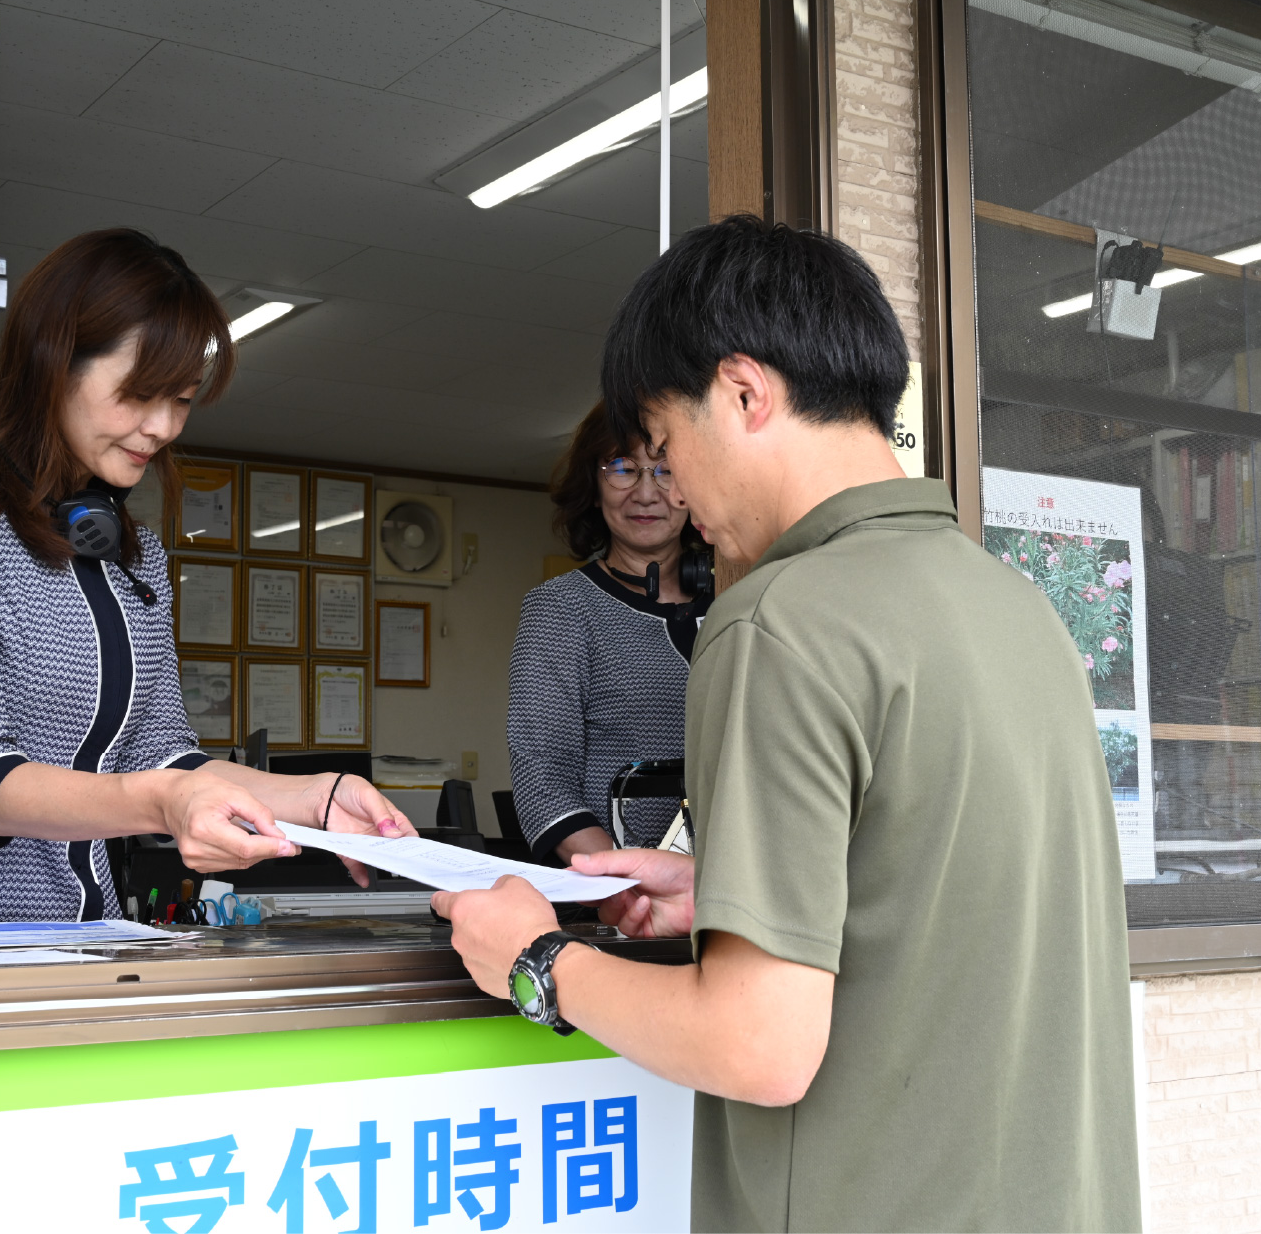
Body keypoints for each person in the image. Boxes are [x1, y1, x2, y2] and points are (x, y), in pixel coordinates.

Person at [435, 216, 1139, 1232]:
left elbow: (756, 1047)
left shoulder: (775, 620)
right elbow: (935, 905)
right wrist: (731, 894)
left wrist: (538, 963)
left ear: (745, 393)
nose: (674, 495)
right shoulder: (1016, 606)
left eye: (668, 449)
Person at [0, 228, 413, 922]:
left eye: (180, 399)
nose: (161, 426)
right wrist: (158, 802)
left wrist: (314, 796)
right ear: (53, 364)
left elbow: (165, 755)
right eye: (139, 393)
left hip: (87, 935)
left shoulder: (134, 555)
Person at [506, 403, 713, 862]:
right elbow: (542, 780)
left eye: (666, 470)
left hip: (745, 892)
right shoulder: (561, 608)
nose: (646, 493)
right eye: (623, 468)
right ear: (594, 485)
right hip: (621, 905)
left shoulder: (740, 602)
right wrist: (628, 888)